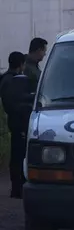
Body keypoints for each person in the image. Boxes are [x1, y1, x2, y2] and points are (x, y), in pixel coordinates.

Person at [1, 52, 33, 199]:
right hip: (18, 123)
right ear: (21, 64)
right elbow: (17, 103)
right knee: (18, 156)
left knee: (16, 156)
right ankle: (17, 188)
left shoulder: (5, 79)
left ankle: (17, 188)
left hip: (13, 122)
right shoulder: (13, 81)